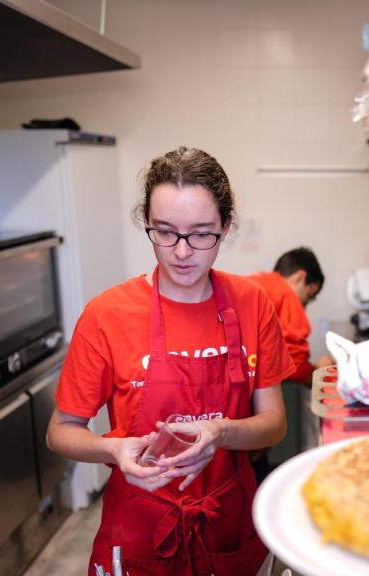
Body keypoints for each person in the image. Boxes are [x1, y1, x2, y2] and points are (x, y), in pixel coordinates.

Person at [46, 147, 295, 576]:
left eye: (201, 234)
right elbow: (61, 432)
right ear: (147, 222)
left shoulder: (252, 304)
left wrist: (220, 433)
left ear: (226, 226)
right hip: (141, 525)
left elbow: (274, 423)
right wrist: (113, 448)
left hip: (228, 524)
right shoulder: (107, 314)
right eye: (165, 232)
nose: (182, 252)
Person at [247, 247, 334, 385]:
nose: (303, 306)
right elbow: (294, 364)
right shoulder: (285, 294)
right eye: (308, 295)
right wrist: (319, 372)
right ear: (299, 277)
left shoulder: (253, 282)